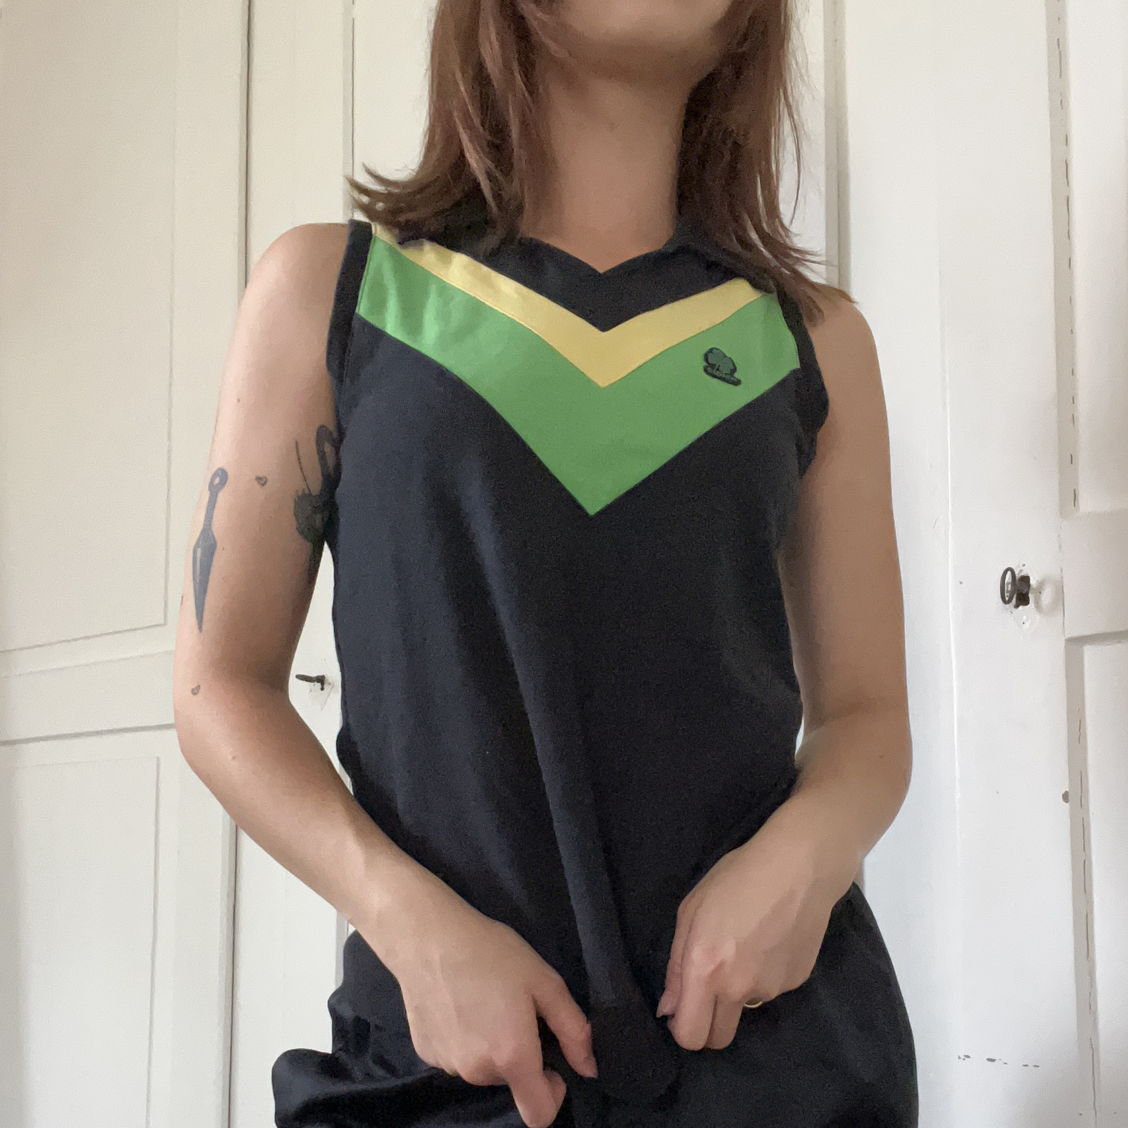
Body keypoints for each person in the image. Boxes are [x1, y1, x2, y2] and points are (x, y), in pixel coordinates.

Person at [172, 1, 919, 1125]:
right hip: (445, 1066)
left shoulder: (811, 342)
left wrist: (809, 858)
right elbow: (217, 685)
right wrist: (409, 922)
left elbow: (868, 717)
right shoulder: (336, 293)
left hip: (775, 1061)